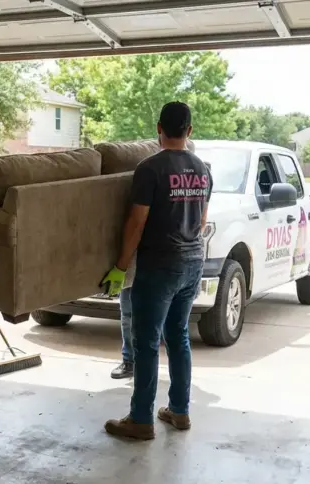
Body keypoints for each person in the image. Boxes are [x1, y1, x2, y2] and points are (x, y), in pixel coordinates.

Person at [99, 102, 212, 440]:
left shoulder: (149, 168)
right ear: (189, 131)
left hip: (160, 265)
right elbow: (202, 220)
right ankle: (179, 411)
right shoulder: (203, 169)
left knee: (146, 341)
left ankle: (140, 419)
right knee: (178, 336)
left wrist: (120, 267)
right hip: (193, 261)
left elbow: (137, 222)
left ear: (159, 128)